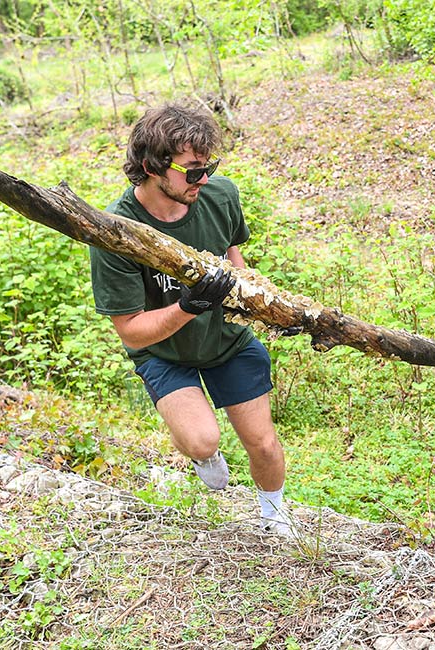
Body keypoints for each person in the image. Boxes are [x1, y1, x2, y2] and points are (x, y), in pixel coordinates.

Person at [90, 103, 293, 536]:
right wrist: (189, 306)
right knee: (203, 439)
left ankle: (274, 517)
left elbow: (235, 256)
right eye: (193, 170)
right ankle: (203, 456)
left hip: (227, 340)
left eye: (208, 167)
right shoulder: (116, 231)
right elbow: (130, 329)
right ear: (151, 167)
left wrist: (267, 304)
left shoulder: (220, 195)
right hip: (165, 352)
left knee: (263, 442)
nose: (203, 179)